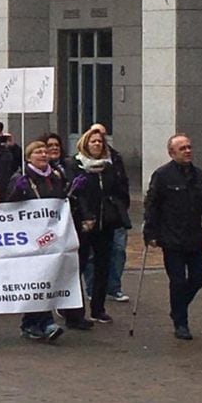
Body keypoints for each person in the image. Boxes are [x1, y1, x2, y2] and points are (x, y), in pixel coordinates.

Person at [143, 134, 202, 340]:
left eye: (189, 147)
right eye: (182, 148)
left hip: (194, 238)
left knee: (198, 278)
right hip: (171, 239)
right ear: (172, 153)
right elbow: (152, 206)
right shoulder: (162, 175)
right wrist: (149, 232)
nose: (188, 151)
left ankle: (178, 307)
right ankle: (181, 322)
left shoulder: (200, 176)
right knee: (177, 281)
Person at [5, 141, 69, 343]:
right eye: (37, 152)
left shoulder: (55, 176)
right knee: (35, 278)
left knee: (48, 277)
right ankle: (39, 322)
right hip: (30, 236)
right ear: (28, 157)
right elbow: (9, 205)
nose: (43, 155)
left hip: (51, 235)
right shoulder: (20, 177)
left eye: (45, 151)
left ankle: (39, 322)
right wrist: (17, 191)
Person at [65, 126, 128, 326]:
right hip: (83, 224)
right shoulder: (75, 165)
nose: (97, 145)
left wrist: (117, 207)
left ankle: (98, 308)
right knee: (80, 265)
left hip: (106, 222)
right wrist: (85, 216)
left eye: (100, 142)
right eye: (93, 141)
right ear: (85, 143)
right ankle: (75, 312)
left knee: (103, 266)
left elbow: (119, 189)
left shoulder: (109, 167)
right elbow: (75, 192)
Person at [84, 123, 132, 303]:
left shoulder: (114, 159)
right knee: (91, 256)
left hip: (113, 214)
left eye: (101, 138)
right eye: (94, 139)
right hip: (92, 216)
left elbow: (121, 183)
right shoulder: (78, 163)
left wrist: (121, 204)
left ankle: (114, 287)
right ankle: (92, 289)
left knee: (117, 251)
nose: (98, 142)